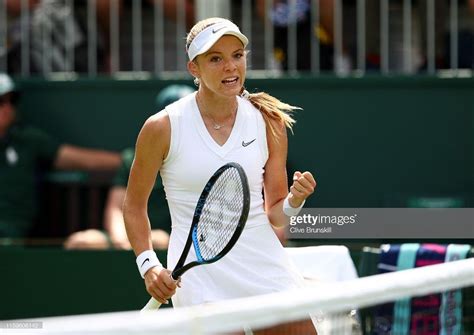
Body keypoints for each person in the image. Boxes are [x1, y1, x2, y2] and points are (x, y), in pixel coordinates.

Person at [123, 17, 316, 332]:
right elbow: (133, 206)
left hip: (262, 261)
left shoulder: (269, 122)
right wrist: (148, 265)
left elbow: (277, 216)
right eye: (216, 58)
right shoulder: (161, 127)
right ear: (194, 69)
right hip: (198, 275)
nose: (230, 66)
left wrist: (295, 200)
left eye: (237, 55)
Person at [64, 84, 195, 250]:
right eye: (175, 117)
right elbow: (116, 208)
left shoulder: (199, 159)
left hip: (172, 240)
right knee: (81, 241)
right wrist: (122, 242)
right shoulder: (131, 158)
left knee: (159, 240)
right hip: (128, 237)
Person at [0, 73, 121, 238]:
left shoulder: (28, 140)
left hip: (12, 238)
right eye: (1, 102)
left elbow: (82, 160)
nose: (7, 108)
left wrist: (136, 159)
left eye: (11, 101)